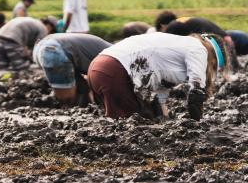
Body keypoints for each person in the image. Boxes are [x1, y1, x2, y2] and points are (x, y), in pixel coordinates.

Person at [87, 32, 228, 121]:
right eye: (213, 66)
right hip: (114, 71)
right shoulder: (198, 49)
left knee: (139, 120)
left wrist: (164, 116)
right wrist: (197, 125)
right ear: (212, 58)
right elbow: (196, 90)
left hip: (98, 68)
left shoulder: (179, 45)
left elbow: (161, 89)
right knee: (131, 125)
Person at [33, 33, 111, 106]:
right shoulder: (115, 59)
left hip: (42, 47)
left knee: (82, 88)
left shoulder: (111, 50)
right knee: (67, 100)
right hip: (54, 50)